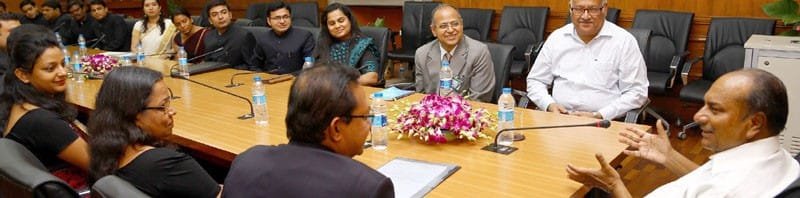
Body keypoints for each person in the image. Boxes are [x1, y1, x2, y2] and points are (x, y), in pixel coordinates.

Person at [566, 69, 799, 197]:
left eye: (715, 109)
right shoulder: (772, 159)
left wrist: (614, 186)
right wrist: (669, 157)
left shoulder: (729, 189)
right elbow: (709, 178)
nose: (698, 117)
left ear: (755, 124)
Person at [223, 63, 395, 198]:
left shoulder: (247, 161)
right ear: (336, 129)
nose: (369, 125)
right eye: (365, 117)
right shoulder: (368, 188)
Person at [88, 66, 221, 197]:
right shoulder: (168, 165)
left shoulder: (104, 150)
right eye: (163, 106)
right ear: (135, 114)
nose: (172, 112)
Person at [0, 24, 90, 190]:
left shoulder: (20, 101)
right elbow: (101, 166)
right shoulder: (41, 121)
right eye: (50, 68)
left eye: (63, 63)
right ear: (23, 75)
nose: (62, 72)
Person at [526, 0, 648, 119]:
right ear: (570, 9)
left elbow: (637, 91)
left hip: (605, 122)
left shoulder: (624, 42)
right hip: (559, 118)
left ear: (604, 9)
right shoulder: (557, 38)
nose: (585, 16)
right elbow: (536, 81)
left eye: (593, 9)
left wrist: (601, 114)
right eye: (579, 9)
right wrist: (549, 105)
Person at [414, 4, 495, 102]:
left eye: (455, 24)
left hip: (466, 113)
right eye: (443, 26)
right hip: (433, 114)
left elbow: (479, 98)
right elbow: (421, 95)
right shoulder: (422, 54)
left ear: (462, 25)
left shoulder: (479, 52)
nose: (451, 30)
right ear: (434, 30)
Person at [313, 3, 380, 86]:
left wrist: (340, 83)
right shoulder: (323, 43)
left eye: (341, 21)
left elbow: (372, 77)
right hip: (325, 92)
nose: (337, 26)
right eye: (332, 23)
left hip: (353, 92)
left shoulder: (362, 44)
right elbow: (311, 70)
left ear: (350, 20)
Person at [249, 1, 314, 74]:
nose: (282, 21)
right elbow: (254, 66)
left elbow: (310, 67)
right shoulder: (263, 39)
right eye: (277, 18)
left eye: (285, 17)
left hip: (295, 80)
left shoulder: (305, 36)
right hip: (269, 81)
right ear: (269, 21)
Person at [202, 0, 255, 70]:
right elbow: (208, 61)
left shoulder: (244, 35)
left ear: (230, 15)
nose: (220, 17)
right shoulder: (208, 36)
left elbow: (252, 66)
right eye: (215, 15)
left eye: (224, 12)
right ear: (210, 21)